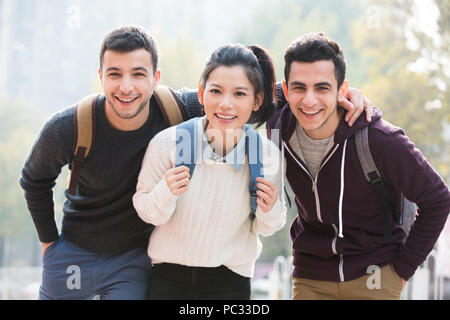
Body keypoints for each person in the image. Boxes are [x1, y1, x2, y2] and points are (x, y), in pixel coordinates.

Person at [20, 25, 370, 300]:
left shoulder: (242, 139)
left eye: (138, 74)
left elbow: (272, 98)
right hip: (104, 255)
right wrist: (50, 243)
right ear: (100, 76)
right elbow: (35, 180)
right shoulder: (80, 127)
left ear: (156, 79)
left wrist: (339, 96)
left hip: (169, 266)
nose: (127, 86)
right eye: (115, 74)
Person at [266, 32, 450, 300]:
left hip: (376, 276)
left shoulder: (379, 139)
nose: (308, 100)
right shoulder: (279, 128)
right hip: (310, 276)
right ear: (286, 88)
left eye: (322, 88)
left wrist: (401, 271)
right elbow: (233, 94)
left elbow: (437, 198)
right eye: (299, 87)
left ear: (342, 90)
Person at [133, 44, 286, 300]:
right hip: (168, 279)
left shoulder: (266, 155)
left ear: (257, 100)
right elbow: (147, 212)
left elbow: (268, 227)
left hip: (230, 281)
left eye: (239, 94)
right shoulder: (167, 143)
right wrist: (165, 191)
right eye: (216, 91)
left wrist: (268, 208)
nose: (225, 104)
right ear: (202, 93)